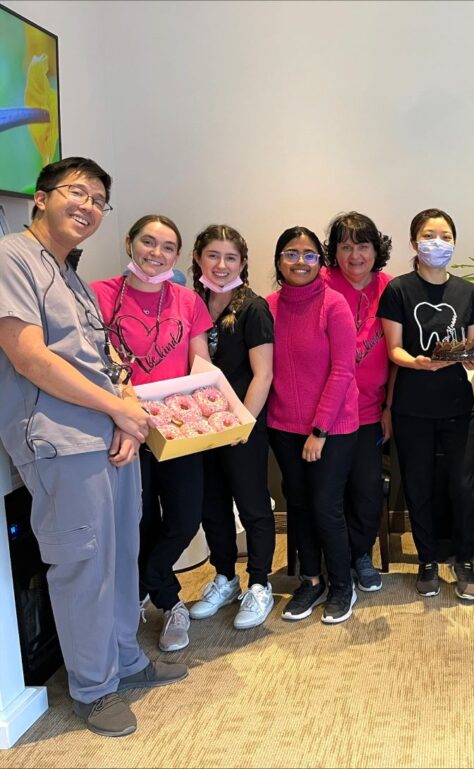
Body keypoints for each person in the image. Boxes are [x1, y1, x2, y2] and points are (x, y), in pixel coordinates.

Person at [0, 157, 185, 738]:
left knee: (121, 553)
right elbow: (29, 356)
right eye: (77, 193)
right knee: (82, 563)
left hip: (109, 437)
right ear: (40, 197)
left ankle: (124, 658)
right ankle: (93, 686)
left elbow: (102, 357)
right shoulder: (12, 258)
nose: (88, 206)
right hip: (61, 441)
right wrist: (117, 410)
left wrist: (126, 412)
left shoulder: (68, 272)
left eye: (99, 200)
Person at [92, 215, 212, 653]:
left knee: (185, 520)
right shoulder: (99, 295)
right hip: (126, 428)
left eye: (167, 247)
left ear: (177, 255)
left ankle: (141, 585)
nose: (156, 253)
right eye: (148, 242)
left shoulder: (187, 300)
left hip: (179, 428)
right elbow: (95, 362)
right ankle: (171, 602)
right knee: (139, 523)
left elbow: (200, 364)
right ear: (129, 242)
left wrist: (213, 411)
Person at [379, 208, 474, 600]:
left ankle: (465, 559)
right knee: (418, 485)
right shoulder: (398, 290)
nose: (437, 243)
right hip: (412, 405)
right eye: (428, 235)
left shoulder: (469, 293)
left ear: (454, 243)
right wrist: (417, 362)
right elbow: (393, 349)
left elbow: (472, 347)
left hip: (458, 404)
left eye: (445, 236)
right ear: (414, 242)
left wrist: (473, 359)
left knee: (464, 487)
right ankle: (427, 560)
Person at [266, 226, 360, 624]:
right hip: (283, 425)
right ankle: (312, 580)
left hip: (332, 427)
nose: (300, 262)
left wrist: (319, 430)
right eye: (291, 253)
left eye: (309, 255)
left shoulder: (333, 304)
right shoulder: (267, 307)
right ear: (279, 261)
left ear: (320, 261)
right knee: (299, 505)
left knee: (325, 507)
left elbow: (342, 370)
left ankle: (342, 585)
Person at [187, 225, 276, 629]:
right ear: (198, 258)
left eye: (231, 258)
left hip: (242, 427)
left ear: (242, 263)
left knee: (253, 506)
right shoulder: (191, 303)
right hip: (201, 428)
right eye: (213, 255)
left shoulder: (253, 308)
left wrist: (242, 426)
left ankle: (259, 584)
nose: (221, 265)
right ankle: (225, 578)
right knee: (212, 506)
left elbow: (263, 374)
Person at [322, 211, 393, 592]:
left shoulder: (390, 288)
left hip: (370, 412)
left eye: (362, 246)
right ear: (334, 252)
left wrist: (389, 408)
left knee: (367, 489)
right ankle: (335, 559)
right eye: (345, 247)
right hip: (327, 414)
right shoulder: (320, 283)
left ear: (375, 249)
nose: (354, 256)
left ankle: (360, 555)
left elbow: (398, 356)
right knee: (330, 491)